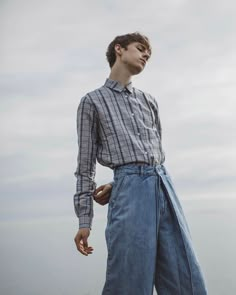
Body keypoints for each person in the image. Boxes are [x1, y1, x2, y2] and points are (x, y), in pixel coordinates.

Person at [73, 32, 208, 295]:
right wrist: (84, 219)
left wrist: (117, 182)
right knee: (129, 280)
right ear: (119, 49)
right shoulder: (92, 101)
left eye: (149, 53)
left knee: (186, 277)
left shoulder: (149, 101)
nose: (146, 54)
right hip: (131, 194)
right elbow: (85, 164)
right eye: (141, 48)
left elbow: (151, 154)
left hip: (164, 187)